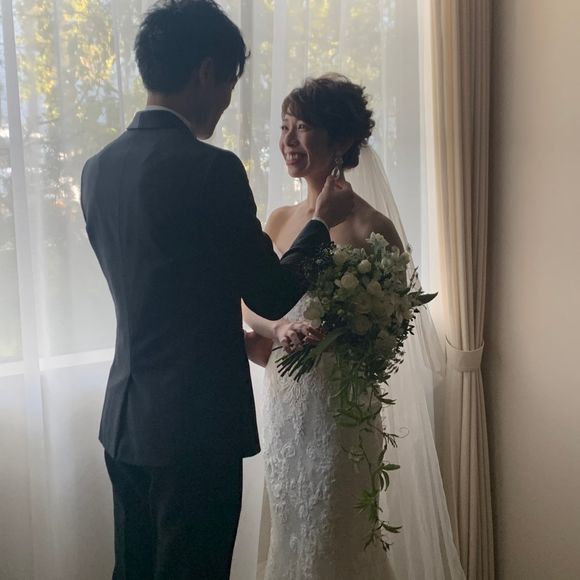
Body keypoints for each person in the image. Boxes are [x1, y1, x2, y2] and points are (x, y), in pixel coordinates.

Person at [80, 2, 354, 578]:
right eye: (230, 81)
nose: (229, 99)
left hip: (125, 421)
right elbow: (272, 293)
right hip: (195, 430)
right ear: (207, 71)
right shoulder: (212, 169)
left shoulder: (98, 169)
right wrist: (319, 224)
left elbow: (166, 286)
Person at [244, 74, 466, 580]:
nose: (288, 139)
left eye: (303, 127)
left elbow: (388, 334)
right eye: (284, 126)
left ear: (341, 140)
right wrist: (276, 332)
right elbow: (249, 301)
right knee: (291, 532)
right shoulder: (278, 220)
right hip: (284, 407)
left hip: (340, 413)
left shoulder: (373, 229)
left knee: (336, 534)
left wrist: (330, 344)